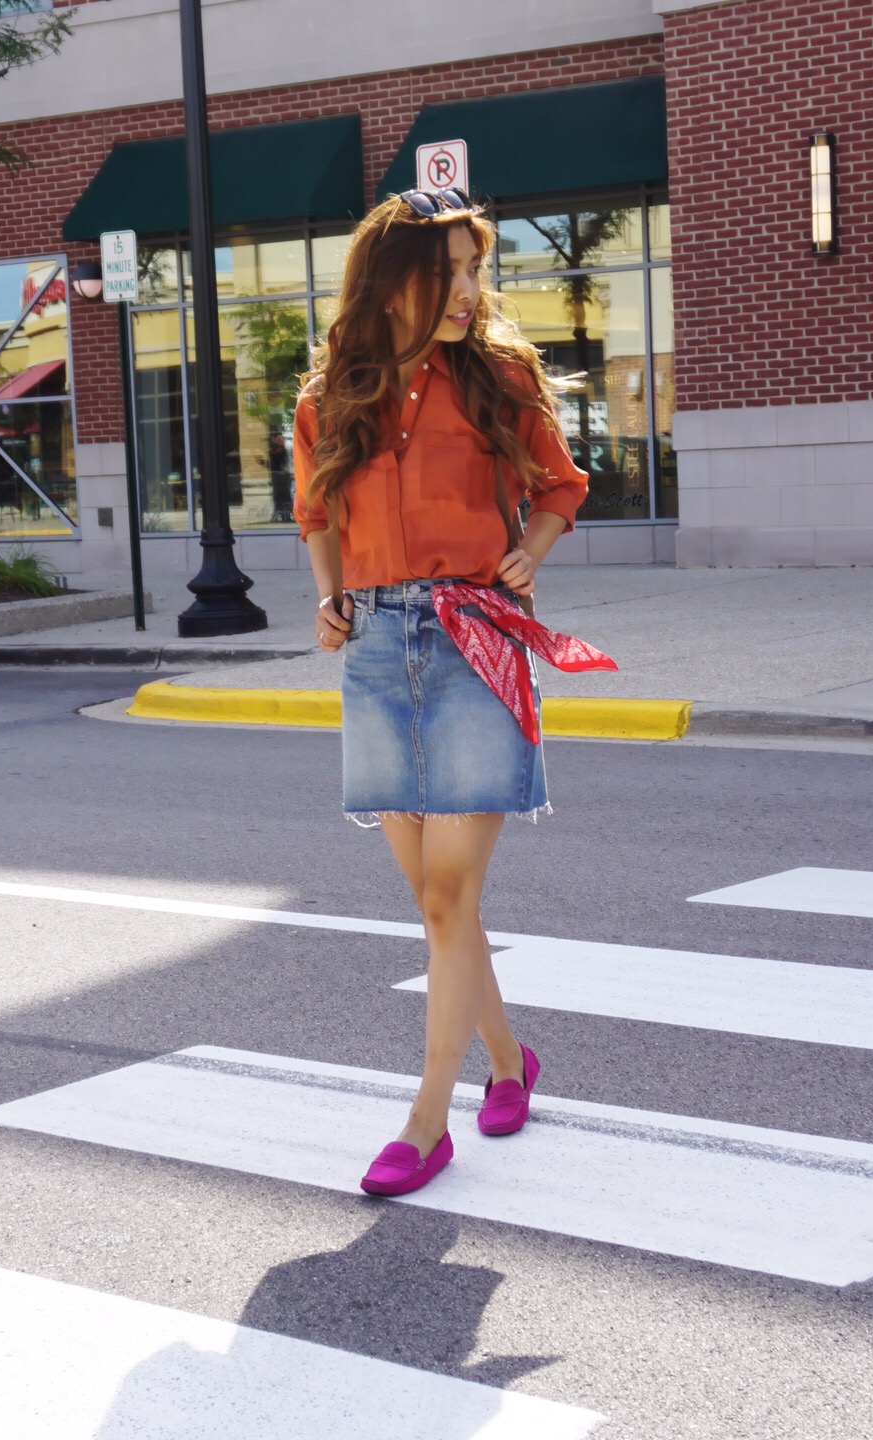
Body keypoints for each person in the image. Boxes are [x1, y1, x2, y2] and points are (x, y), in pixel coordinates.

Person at [294, 187, 608, 1198]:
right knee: (438, 906)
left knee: (446, 896)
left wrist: (530, 551)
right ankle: (510, 1062)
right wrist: (329, 600)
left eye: (477, 269)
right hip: (377, 651)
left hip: (476, 638)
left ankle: (426, 1122)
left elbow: (562, 483)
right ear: (396, 283)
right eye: (453, 272)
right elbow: (316, 512)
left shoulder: (498, 380)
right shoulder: (330, 396)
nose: (472, 290)